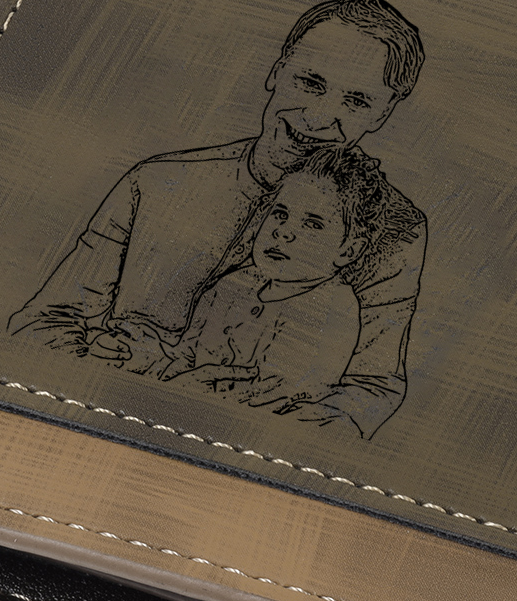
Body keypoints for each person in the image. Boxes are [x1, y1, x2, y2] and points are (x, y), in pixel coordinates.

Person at [8, 0, 426, 437]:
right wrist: (100, 372)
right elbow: (45, 320)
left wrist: (252, 425)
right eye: (310, 82)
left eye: (356, 101)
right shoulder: (156, 180)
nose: (320, 117)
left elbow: (369, 390)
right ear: (277, 71)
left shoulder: (397, 231)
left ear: (383, 113)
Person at [155, 147, 385, 421]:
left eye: (312, 224)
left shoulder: (334, 310)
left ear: (349, 250)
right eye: (280, 214)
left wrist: (187, 393)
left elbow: (274, 399)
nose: (283, 231)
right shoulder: (230, 285)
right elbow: (184, 354)